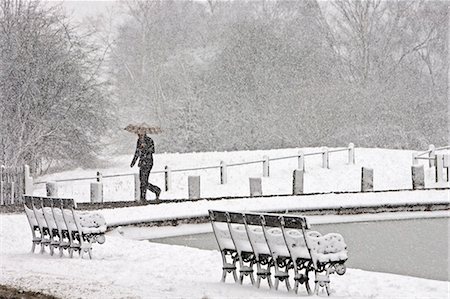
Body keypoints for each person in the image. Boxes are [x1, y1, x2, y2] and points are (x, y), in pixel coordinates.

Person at [130, 131, 161, 202]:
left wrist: (145, 148)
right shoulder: (139, 141)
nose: (139, 135)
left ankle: (143, 197)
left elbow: (152, 150)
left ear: (144, 133)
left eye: (141, 134)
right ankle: (155, 190)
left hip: (148, 162)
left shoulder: (149, 140)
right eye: (138, 134)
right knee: (142, 180)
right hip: (142, 163)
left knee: (144, 181)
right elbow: (137, 152)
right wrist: (133, 162)